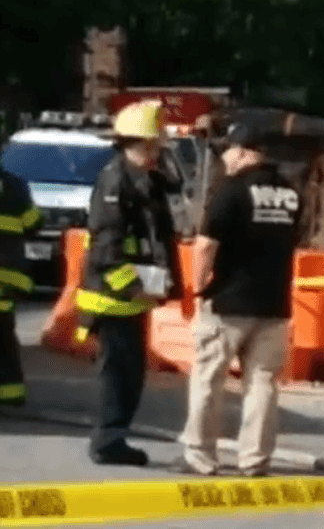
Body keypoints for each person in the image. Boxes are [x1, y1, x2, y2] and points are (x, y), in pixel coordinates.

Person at [179, 120, 300, 477]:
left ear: (244, 151)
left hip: (229, 304)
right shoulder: (291, 193)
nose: (225, 158)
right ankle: (255, 459)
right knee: (262, 383)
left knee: (208, 378)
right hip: (274, 305)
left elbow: (205, 245)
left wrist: (198, 288)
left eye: (228, 150)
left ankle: (200, 454)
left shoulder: (231, 190)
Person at [75, 100, 180, 466]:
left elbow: (159, 235)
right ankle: (107, 443)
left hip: (133, 297)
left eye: (158, 147)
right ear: (130, 144)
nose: (156, 154)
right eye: (150, 147)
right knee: (118, 376)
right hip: (112, 298)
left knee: (130, 374)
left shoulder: (146, 182)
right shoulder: (115, 180)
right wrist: (131, 286)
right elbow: (106, 248)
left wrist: (164, 286)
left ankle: (114, 438)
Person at [0, 166, 44, 405]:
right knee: (4, 335)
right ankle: (11, 394)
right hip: (10, 277)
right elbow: (33, 222)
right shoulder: (13, 185)